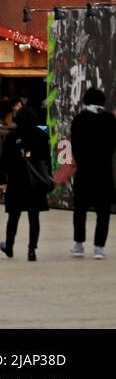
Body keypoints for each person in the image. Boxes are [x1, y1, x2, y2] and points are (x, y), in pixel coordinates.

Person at [0, 103, 51, 260]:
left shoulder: (12, 136)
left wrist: (1, 178)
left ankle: (9, 246)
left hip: (16, 180)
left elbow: (4, 160)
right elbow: (46, 161)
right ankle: (32, 249)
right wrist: (47, 177)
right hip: (35, 181)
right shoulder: (41, 136)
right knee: (34, 217)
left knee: (13, 217)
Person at [69, 87, 115, 259]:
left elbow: (75, 145)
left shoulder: (79, 119)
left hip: (85, 172)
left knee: (80, 210)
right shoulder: (110, 120)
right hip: (104, 172)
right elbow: (112, 146)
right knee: (103, 212)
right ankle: (99, 248)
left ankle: (79, 244)